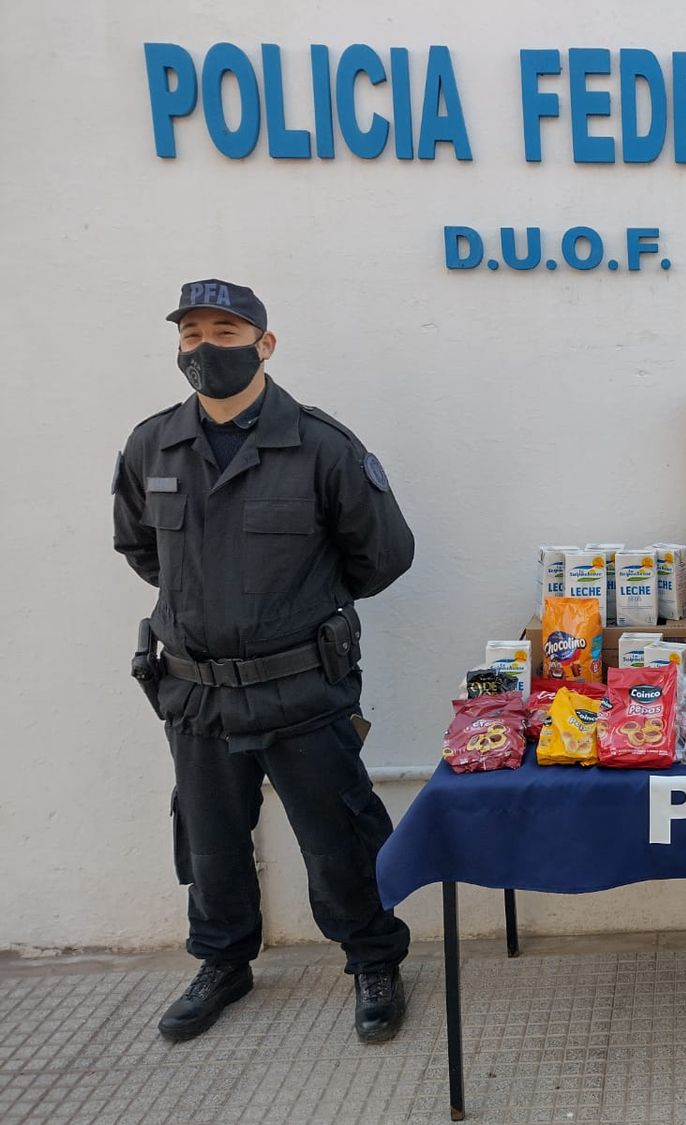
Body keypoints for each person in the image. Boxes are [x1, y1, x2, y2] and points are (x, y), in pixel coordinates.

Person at [113, 279, 415, 1042]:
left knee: (338, 836)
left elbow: (382, 554)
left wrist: (287, 610)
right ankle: (223, 961)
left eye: (224, 332)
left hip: (300, 687)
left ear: (263, 343)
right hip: (196, 692)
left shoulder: (320, 444)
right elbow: (141, 547)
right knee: (210, 840)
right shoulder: (152, 444)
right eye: (192, 335)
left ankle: (373, 959)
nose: (206, 348)